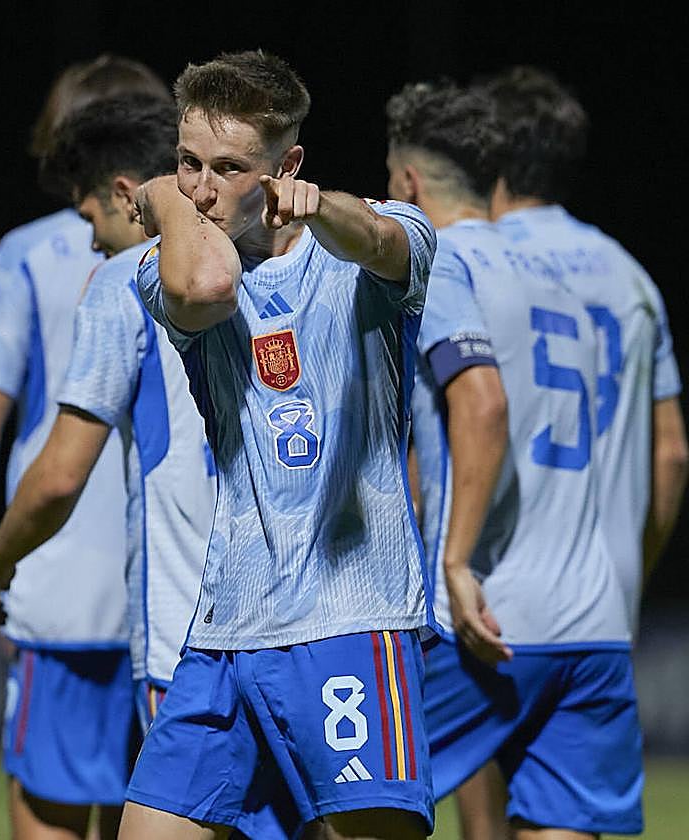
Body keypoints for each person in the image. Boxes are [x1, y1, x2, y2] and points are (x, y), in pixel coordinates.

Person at [121, 50, 437, 840]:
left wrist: (316, 207)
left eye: (229, 168)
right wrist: (169, 202)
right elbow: (207, 289)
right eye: (187, 162)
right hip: (227, 623)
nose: (200, 186)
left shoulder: (382, 236)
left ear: (286, 166)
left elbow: (379, 240)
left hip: (351, 614)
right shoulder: (171, 261)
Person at [414, 65, 687, 840]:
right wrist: (629, 564)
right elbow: (669, 455)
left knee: (369, 800)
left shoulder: (473, 260)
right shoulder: (632, 278)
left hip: (491, 592)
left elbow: (463, 414)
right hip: (596, 605)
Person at [0, 56, 167, 840]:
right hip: (178, 599)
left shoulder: (30, 253)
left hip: (61, 592)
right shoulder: (214, 251)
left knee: (52, 821)